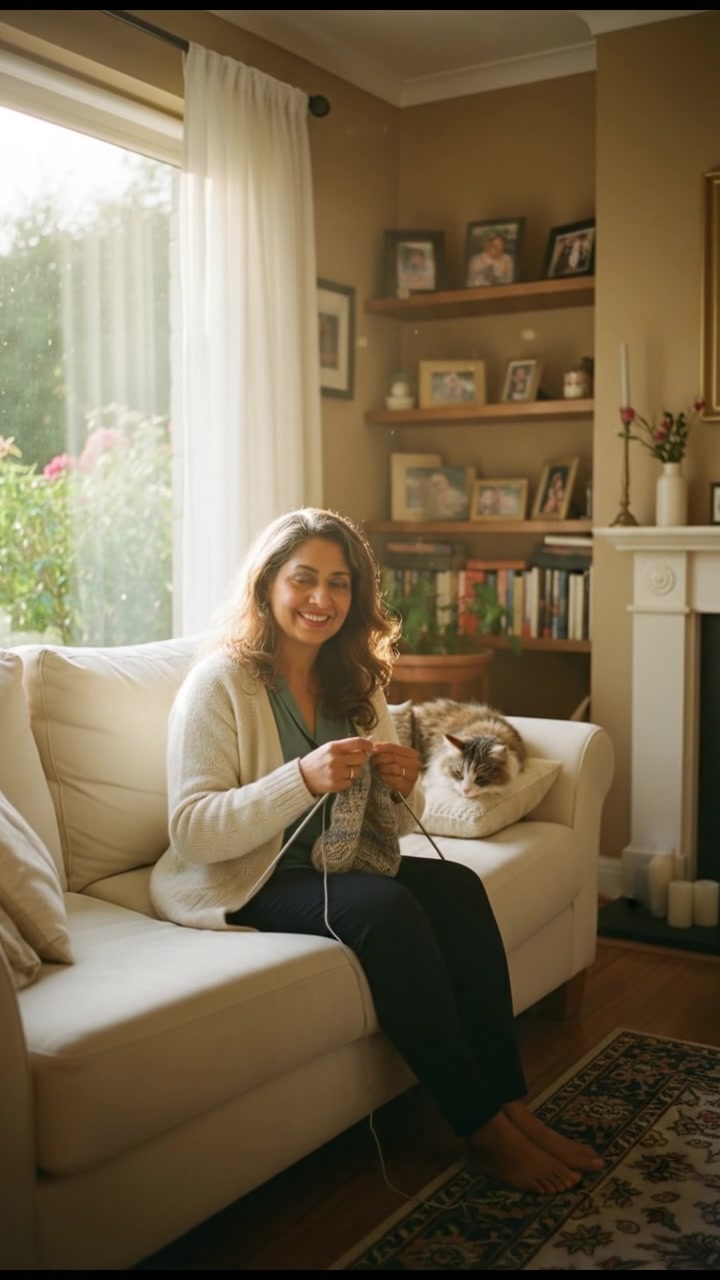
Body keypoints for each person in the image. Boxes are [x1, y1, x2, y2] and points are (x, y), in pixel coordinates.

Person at [150, 507, 602, 1196]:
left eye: (339, 584)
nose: (321, 600)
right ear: (268, 584)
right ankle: (481, 1131)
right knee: (386, 909)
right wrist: (299, 779)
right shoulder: (221, 684)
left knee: (459, 888)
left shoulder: (358, 681)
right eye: (304, 580)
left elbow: (393, 822)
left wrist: (405, 786)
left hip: (339, 862)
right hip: (244, 875)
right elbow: (192, 830)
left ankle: (513, 1107)